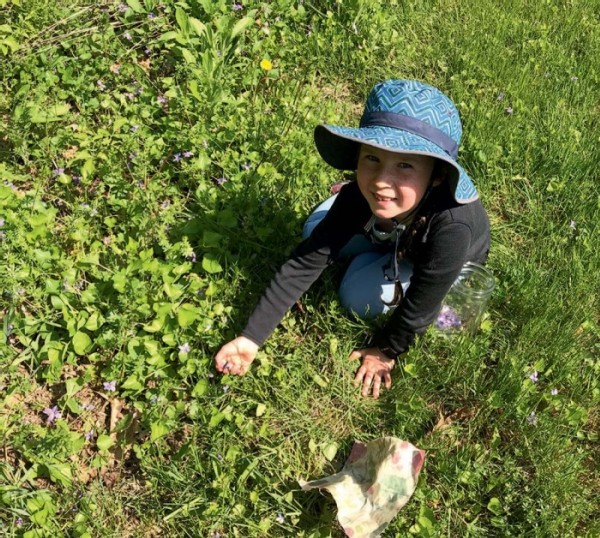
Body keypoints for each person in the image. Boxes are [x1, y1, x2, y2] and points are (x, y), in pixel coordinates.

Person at [214, 79, 490, 398]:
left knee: (357, 294)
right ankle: (375, 235)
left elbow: (423, 302)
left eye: (404, 165)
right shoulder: (365, 192)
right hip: (394, 225)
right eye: (371, 158)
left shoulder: (453, 227)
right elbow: (306, 260)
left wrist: (386, 350)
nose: (381, 181)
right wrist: (250, 339)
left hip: (430, 258)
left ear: (437, 175)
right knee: (314, 232)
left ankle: (377, 252)